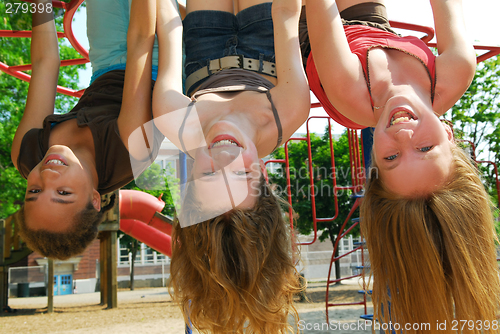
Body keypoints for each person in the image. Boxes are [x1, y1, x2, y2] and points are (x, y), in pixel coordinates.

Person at [302, 0, 500, 330]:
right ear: (449, 135)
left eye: (391, 158)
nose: (404, 136)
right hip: (370, 22)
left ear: (375, 160)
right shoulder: (457, 73)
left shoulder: (352, 92)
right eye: (425, 147)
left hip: (313, 26)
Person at [152, 0, 308, 332]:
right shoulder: (289, 110)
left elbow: (168, 25)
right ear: (263, 177)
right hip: (265, 37)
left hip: (202, 38)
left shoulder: (174, 120)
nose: (225, 157)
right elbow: (285, 13)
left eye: (209, 175)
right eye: (240, 173)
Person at [11, 0, 163, 260]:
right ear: (94, 200)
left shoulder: (27, 153)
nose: (47, 177)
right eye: (62, 193)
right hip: (158, 61)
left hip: (105, 64)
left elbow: (44, 62)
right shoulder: (130, 151)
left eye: (34, 192)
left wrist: (39, 4)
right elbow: (140, 43)